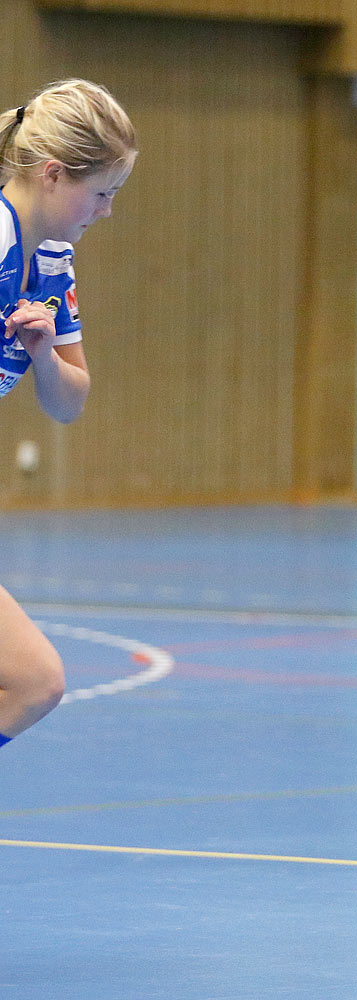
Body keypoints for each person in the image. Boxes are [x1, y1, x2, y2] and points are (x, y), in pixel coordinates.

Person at [0, 79, 137, 749]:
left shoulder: (52, 263)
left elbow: (69, 402)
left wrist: (45, 354)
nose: (108, 211)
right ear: (54, 174)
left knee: (35, 683)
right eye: (103, 191)